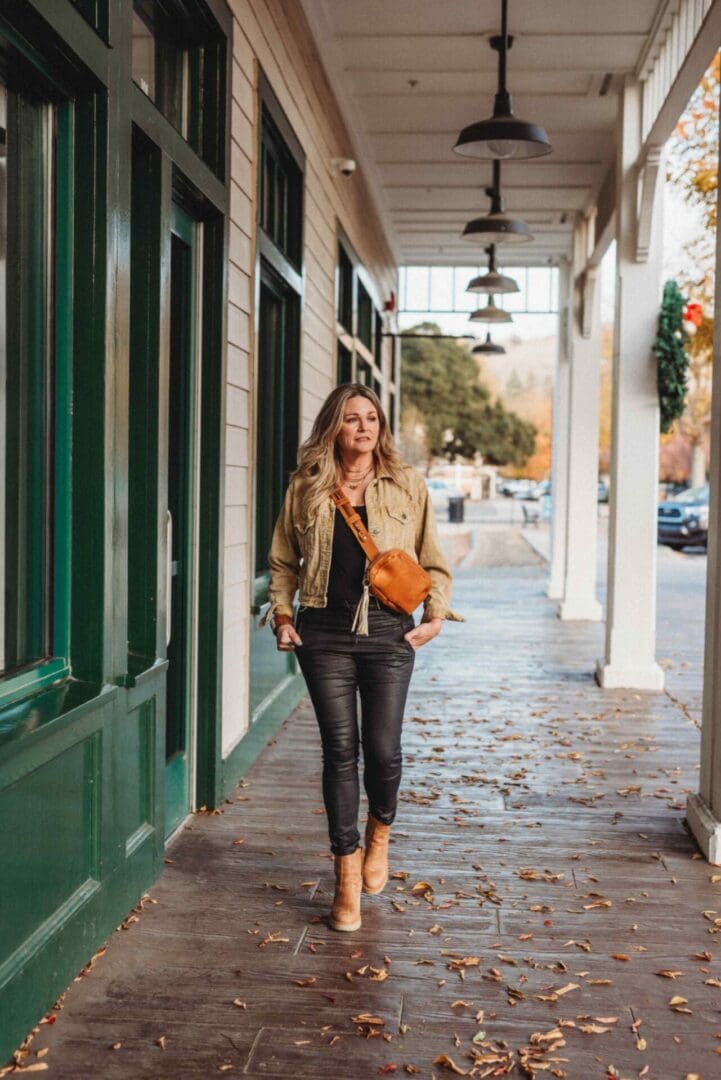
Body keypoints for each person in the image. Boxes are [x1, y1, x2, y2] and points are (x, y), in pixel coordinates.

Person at [260, 383, 462, 931]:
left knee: (383, 750)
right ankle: (346, 878)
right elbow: (282, 561)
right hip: (322, 633)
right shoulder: (306, 488)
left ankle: (379, 835)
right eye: (352, 419)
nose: (364, 427)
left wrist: (435, 617)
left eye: (371, 418)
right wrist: (281, 615)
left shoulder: (407, 485)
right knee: (340, 750)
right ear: (335, 427)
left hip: (389, 636)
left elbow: (434, 561)